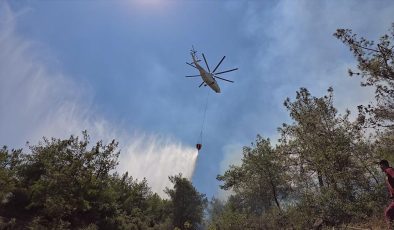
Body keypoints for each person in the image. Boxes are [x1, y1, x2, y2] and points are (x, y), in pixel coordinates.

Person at [379, 159, 394, 229]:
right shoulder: (387, 172)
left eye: (381, 165)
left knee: (388, 212)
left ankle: (389, 228)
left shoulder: (389, 169)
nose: (380, 167)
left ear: (384, 165)